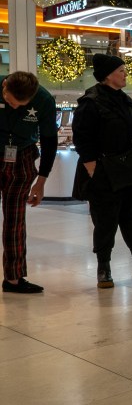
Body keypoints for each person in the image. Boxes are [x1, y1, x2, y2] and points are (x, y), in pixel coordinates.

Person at [72, 54, 132, 288]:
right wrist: (93, 169)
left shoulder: (125, 100)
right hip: (105, 174)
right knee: (105, 223)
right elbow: (83, 139)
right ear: (108, 75)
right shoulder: (91, 102)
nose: (126, 74)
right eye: (121, 70)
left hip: (131, 173)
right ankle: (103, 268)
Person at [0, 71, 56, 294]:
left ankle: (13, 279)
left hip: (21, 157)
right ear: (5, 87)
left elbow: (49, 141)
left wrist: (41, 182)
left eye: (20, 105)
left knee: (15, 220)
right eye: (10, 102)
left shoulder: (44, 100)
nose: (14, 108)